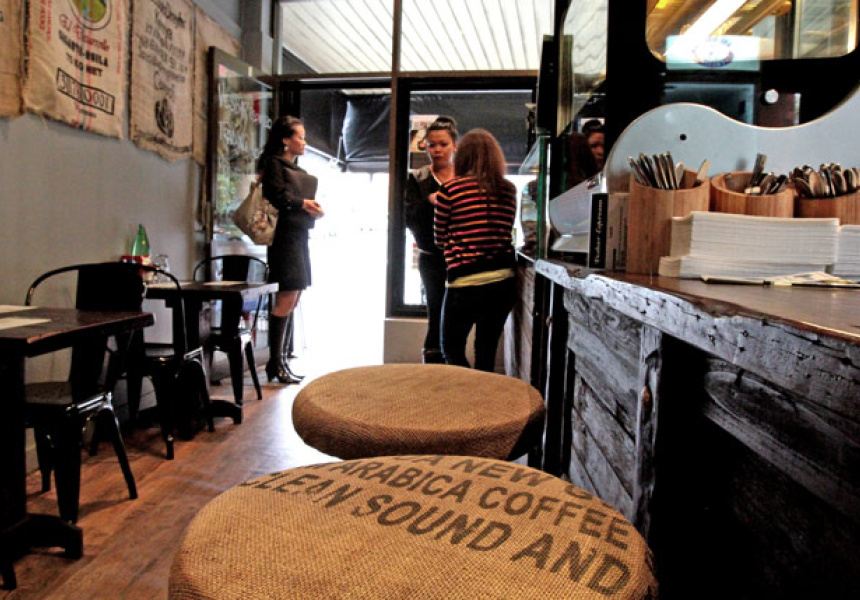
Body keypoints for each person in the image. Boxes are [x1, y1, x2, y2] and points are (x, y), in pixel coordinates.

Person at [433, 128, 517, 371]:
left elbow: (439, 238)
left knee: (451, 348)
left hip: (465, 283)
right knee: (486, 352)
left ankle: (465, 392)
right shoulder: (508, 189)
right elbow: (507, 229)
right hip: (503, 283)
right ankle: (483, 394)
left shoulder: (449, 190)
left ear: (462, 157)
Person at [258, 115, 325, 384]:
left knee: (294, 295)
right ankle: (275, 362)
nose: (304, 142)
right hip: (284, 239)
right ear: (286, 140)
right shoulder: (274, 163)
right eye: (300, 137)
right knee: (286, 295)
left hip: (298, 236)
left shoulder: (292, 167)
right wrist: (304, 203)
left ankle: (280, 360)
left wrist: (312, 210)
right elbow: (276, 195)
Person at [404, 116, 458, 364]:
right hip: (431, 256)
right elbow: (408, 217)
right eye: (432, 145)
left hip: (462, 256)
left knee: (458, 312)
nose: (437, 150)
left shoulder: (465, 178)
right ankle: (433, 362)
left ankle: (454, 364)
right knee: (436, 309)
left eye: (443, 144)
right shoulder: (418, 178)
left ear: (454, 145)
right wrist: (428, 201)